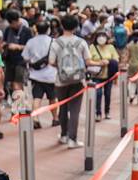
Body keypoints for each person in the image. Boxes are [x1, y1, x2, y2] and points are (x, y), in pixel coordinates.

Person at [49, 13, 91, 148]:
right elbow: (88, 61)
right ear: (76, 26)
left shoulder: (56, 42)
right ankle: (73, 140)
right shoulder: (81, 42)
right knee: (75, 110)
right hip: (78, 81)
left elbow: (51, 62)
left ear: (62, 25)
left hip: (61, 81)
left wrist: (61, 68)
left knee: (63, 108)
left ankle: (63, 135)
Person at [23, 21, 57, 129]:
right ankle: (55, 118)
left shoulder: (31, 42)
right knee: (53, 98)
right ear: (48, 29)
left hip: (35, 75)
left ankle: (35, 119)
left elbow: (25, 57)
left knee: (37, 98)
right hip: (51, 75)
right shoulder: (53, 41)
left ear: (36, 29)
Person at [88, 29, 120, 121]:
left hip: (108, 75)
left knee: (108, 94)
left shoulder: (110, 47)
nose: (101, 38)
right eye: (99, 36)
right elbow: (88, 60)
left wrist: (108, 62)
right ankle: (98, 113)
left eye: (103, 36)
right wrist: (98, 63)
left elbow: (116, 59)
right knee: (98, 94)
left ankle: (107, 111)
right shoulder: (92, 47)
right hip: (96, 75)